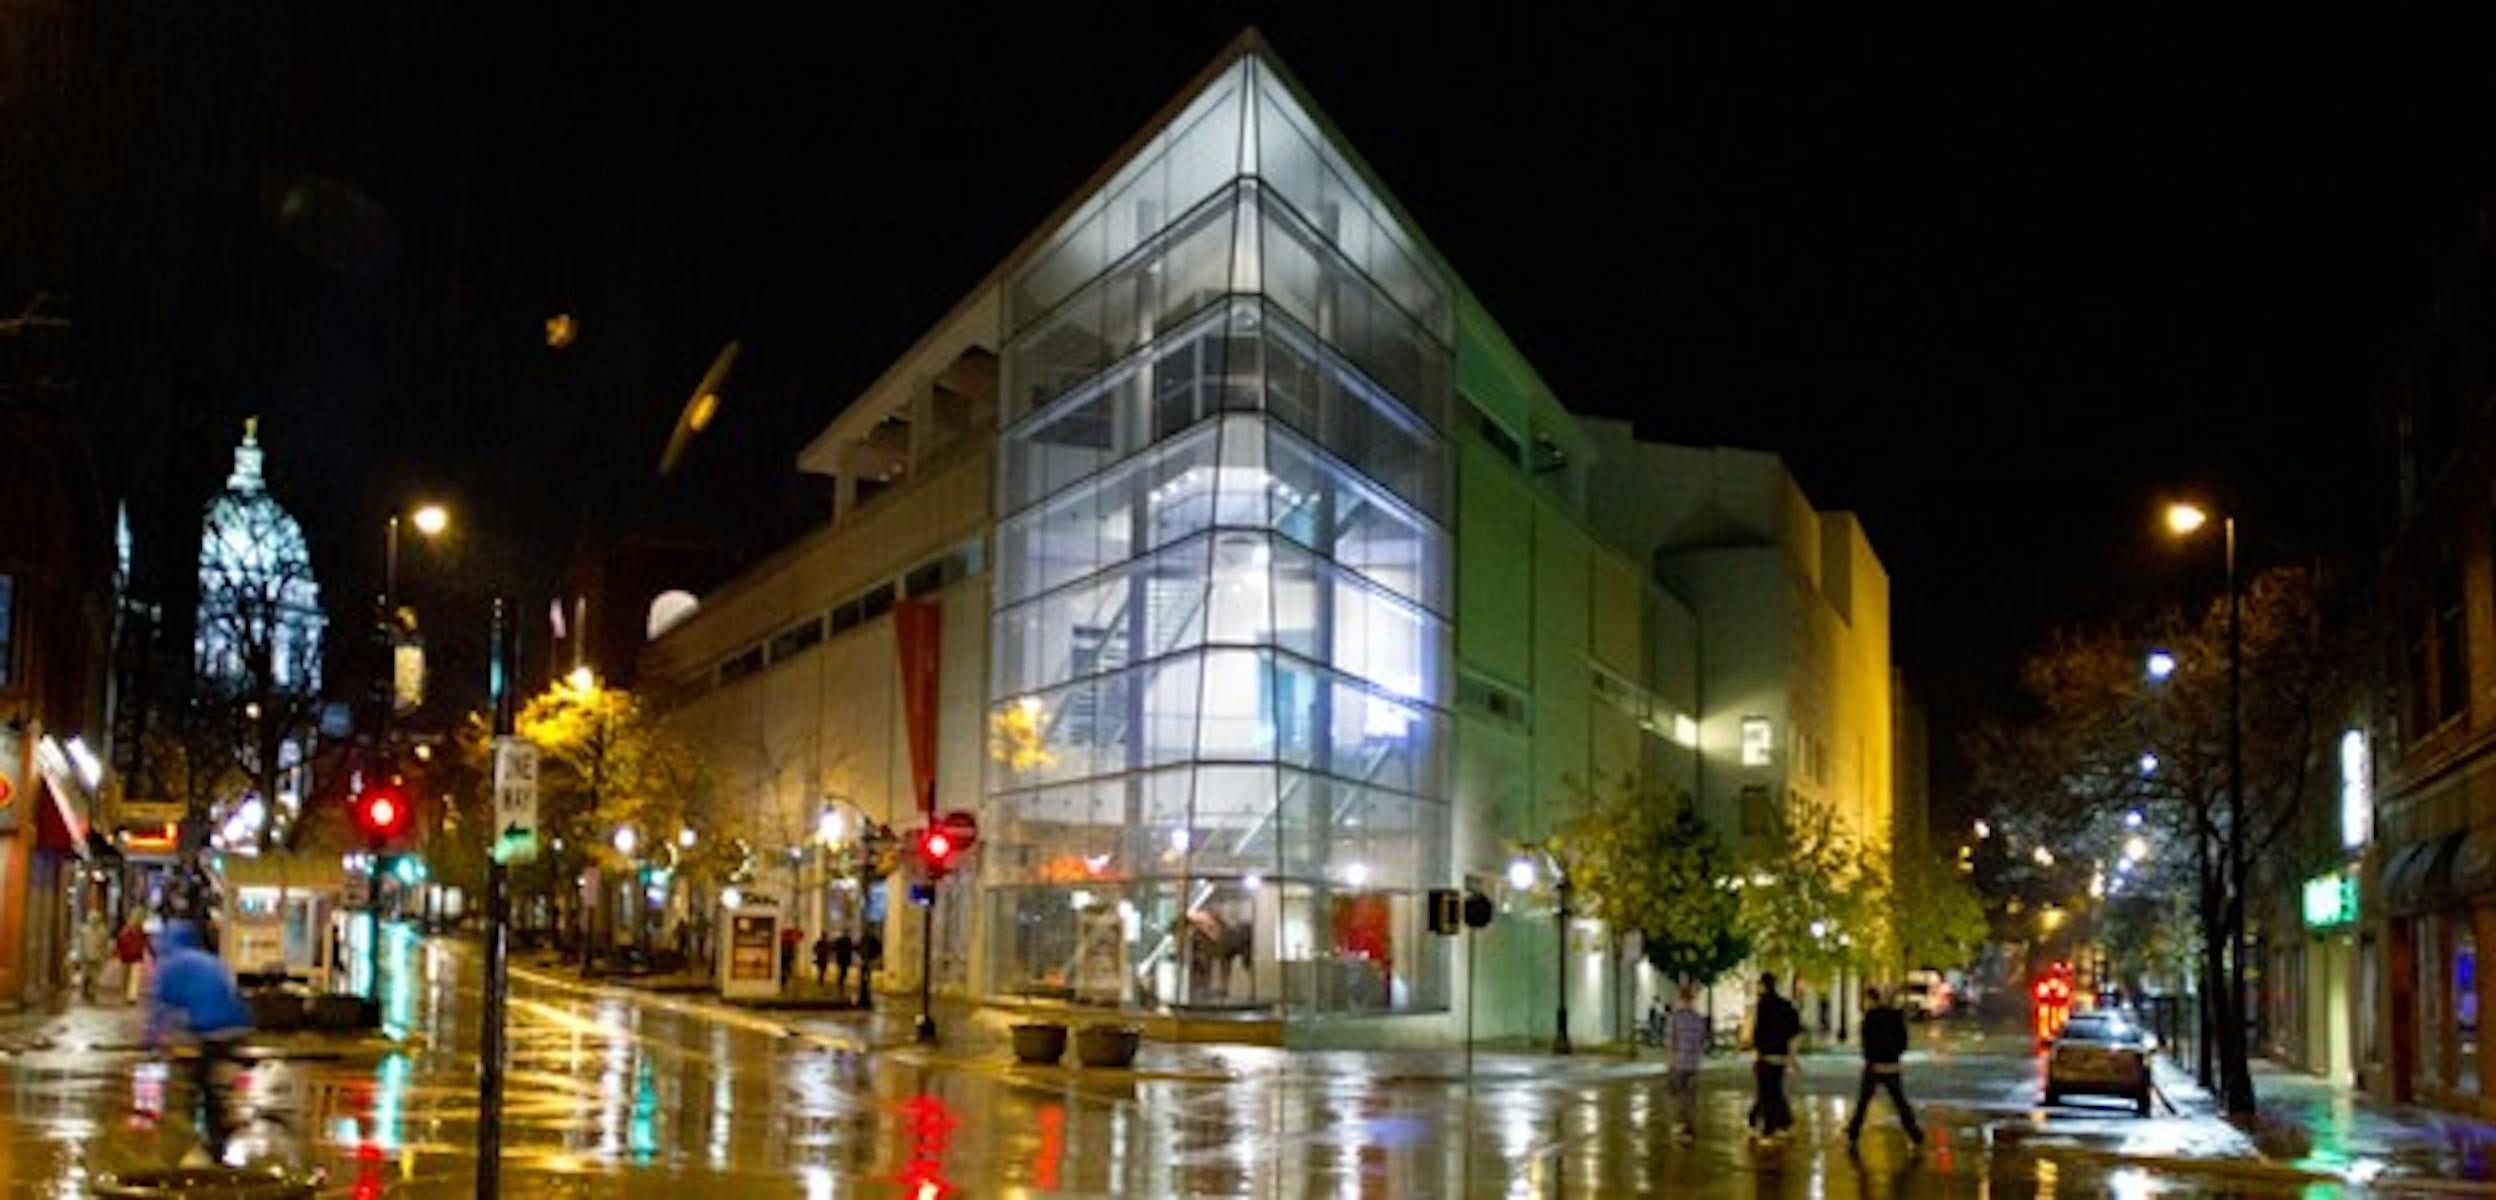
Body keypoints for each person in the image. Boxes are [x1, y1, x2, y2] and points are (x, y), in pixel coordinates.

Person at [143, 920, 253, 1162]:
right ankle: (224, 1120)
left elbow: (159, 1010)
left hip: (211, 1028)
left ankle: (207, 1142)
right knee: (217, 1077)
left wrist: (150, 1042)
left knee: (200, 1081)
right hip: (238, 1023)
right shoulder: (208, 960)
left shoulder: (170, 966)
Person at [1848, 985, 1924, 1149]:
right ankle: (1914, 1133)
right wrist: (1894, 1055)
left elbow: (1866, 1041)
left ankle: (1853, 1132)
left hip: (1874, 1064)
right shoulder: (1896, 1017)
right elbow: (1903, 1042)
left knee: (1864, 1101)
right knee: (1899, 1101)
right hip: (1891, 1064)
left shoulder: (1871, 1016)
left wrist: (1870, 1057)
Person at [1746, 971, 1802, 1142]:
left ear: (1763, 986)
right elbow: (1795, 1031)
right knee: (1774, 1090)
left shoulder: (1762, 1004)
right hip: (1780, 1056)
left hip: (1765, 1055)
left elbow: (1757, 1032)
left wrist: (1754, 1050)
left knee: (1766, 1092)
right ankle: (1782, 1122)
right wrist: (1792, 1056)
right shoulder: (1786, 1005)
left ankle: (1767, 1128)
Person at [1666, 981, 1710, 1142]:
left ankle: (1680, 1126)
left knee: (1678, 1096)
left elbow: (1671, 1042)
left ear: (1680, 999)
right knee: (1691, 1097)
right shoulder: (1698, 1019)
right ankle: (1690, 1127)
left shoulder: (1675, 1018)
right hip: (1694, 1063)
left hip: (1679, 1063)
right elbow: (1702, 1041)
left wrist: (1670, 1063)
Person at [115, 912, 152, 1005]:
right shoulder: (126, 932)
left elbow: (146, 942)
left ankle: (131, 997)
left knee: (134, 977)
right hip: (127, 957)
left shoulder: (141, 932)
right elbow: (120, 942)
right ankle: (127, 995)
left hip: (135, 957)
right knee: (126, 977)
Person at [76, 909, 110, 1003]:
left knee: (95, 978)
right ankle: (84, 993)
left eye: (95, 919)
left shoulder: (102, 931)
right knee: (85, 977)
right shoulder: (84, 930)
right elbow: (80, 944)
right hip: (85, 957)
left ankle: (93, 994)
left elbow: (105, 945)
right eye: (92, 919)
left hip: (97, 957)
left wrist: (104, 956)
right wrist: (80, 956)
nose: (94, 921)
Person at [858, 928, 882, 1006]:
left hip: (868, 961)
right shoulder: (865, 939)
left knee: (866, 979)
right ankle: (864, 996)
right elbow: (860, 948)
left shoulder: (871, 940)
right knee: (864, 979)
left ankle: (866, 996)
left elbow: (877, 948)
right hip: (865, 961)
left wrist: (872, 958)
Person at [831, 931, 856, 999]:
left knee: (844, 972)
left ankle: (841, 984)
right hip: (842, 959)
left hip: (844, 959)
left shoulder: (847, 940)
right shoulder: (843, 940)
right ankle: (841, 984)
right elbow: (837, 948)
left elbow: (849, 949)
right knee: (843, 972)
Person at [779, 925, 802, 990]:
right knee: (785, 972)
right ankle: (784, 984)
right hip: (784, 960)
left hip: (787, 959)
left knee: (788, 971)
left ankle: (786, 984)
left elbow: (792, 953)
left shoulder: (790, 944)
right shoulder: (784, 943)